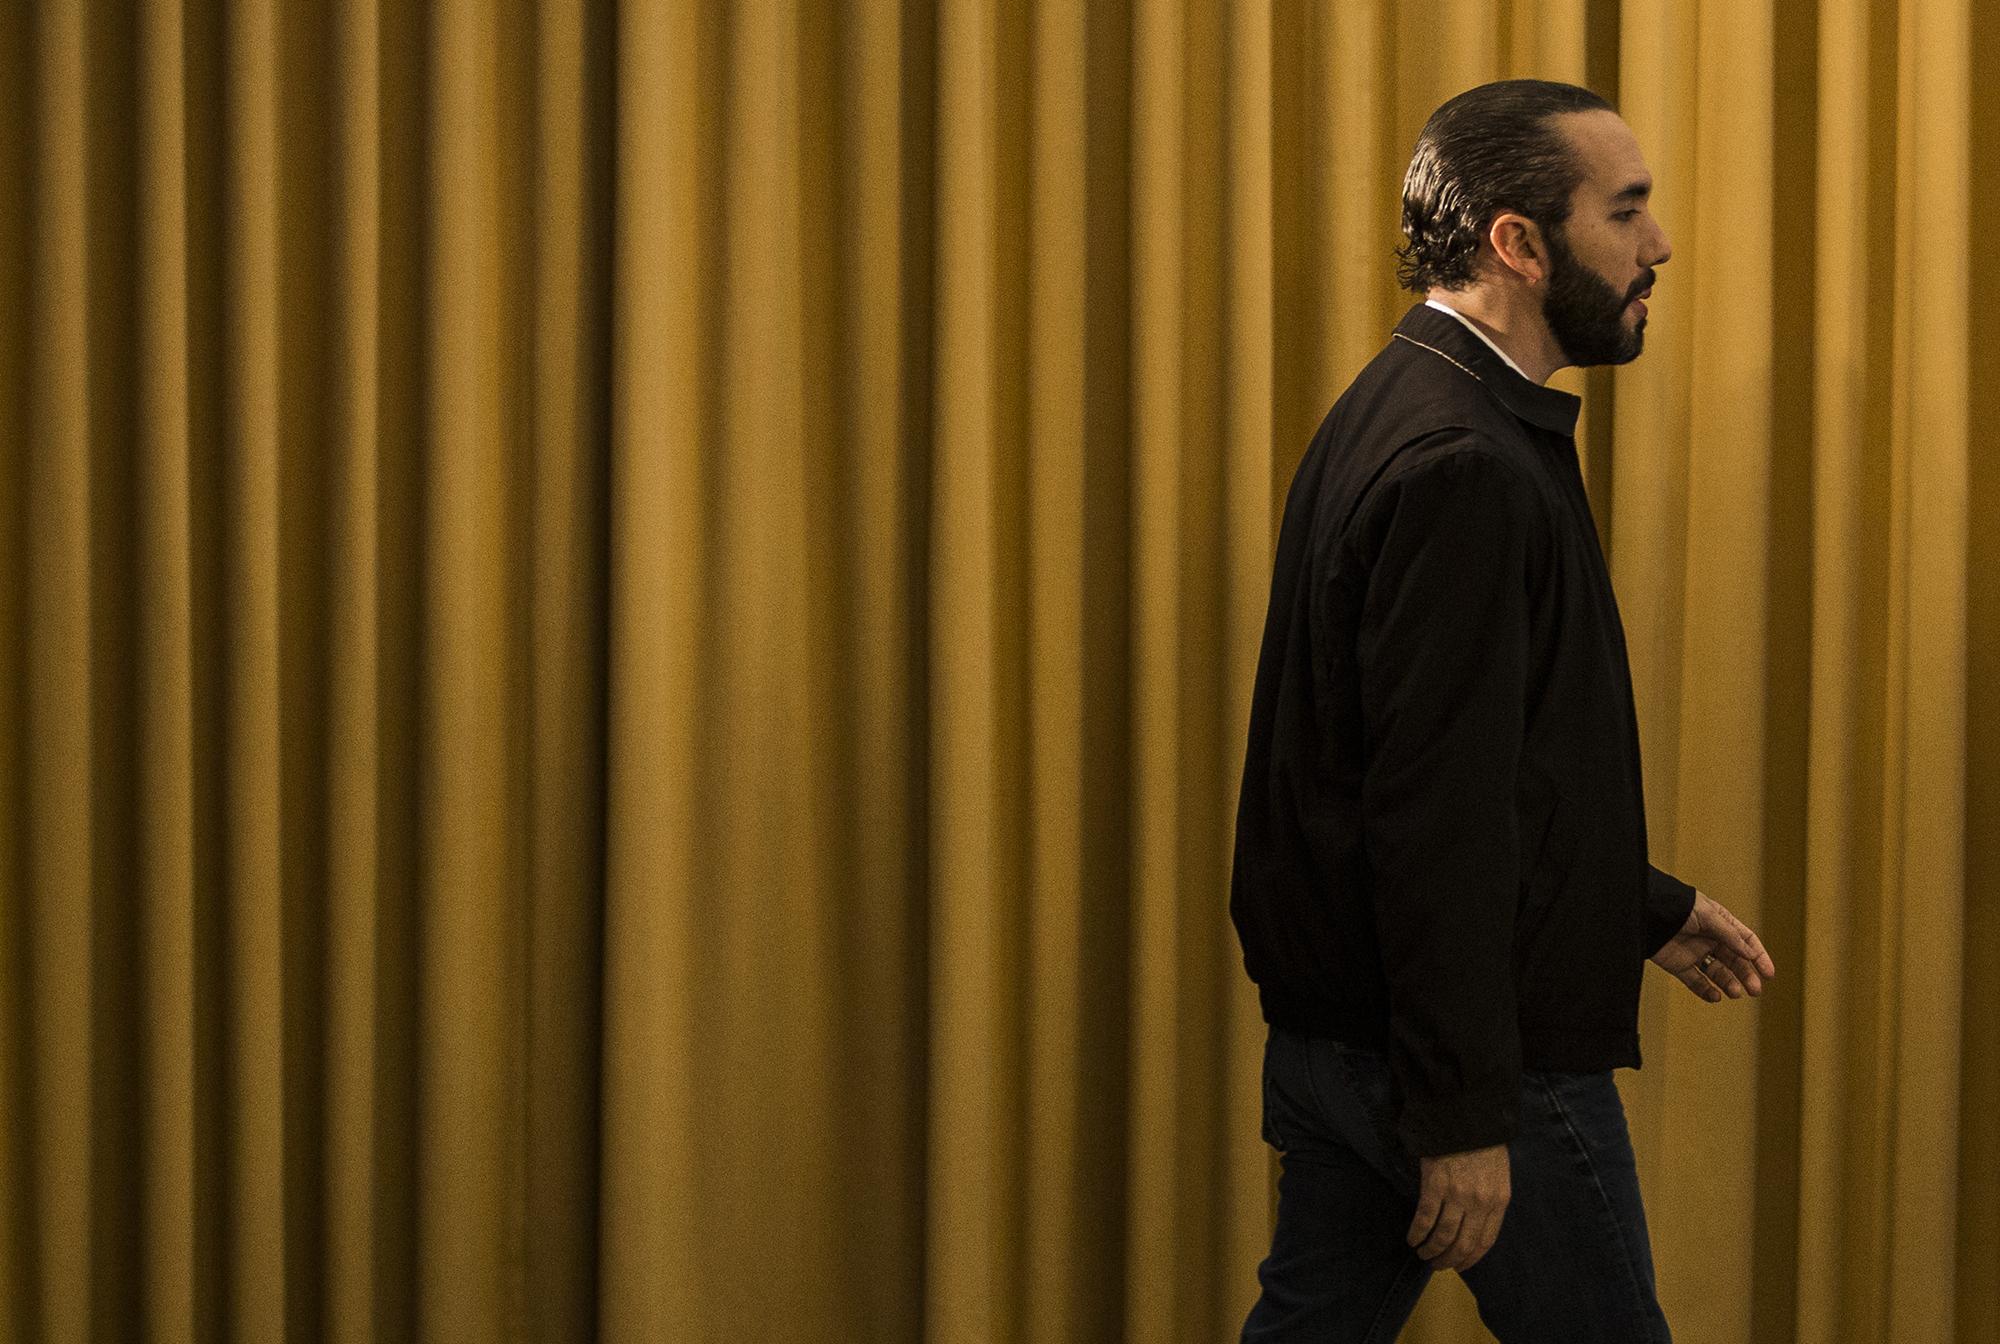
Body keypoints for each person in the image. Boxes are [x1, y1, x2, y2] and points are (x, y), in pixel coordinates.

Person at [1229, 79, 1778, 1342]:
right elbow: (1434, 818)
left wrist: (1641, 906)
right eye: (1624, 211)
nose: (1658, 245)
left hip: (1359, 1042)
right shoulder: (1460, 461)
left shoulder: (1412, 399)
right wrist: (1464, 1115)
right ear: (1515, 244)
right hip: (1467, 1064)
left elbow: (1456, 775)